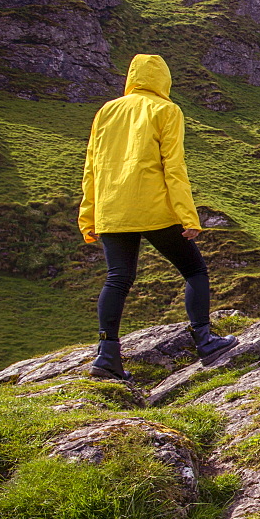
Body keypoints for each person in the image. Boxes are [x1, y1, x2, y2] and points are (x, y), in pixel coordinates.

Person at [78, 53, 236, 381]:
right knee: (194, 270)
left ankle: (106, 356)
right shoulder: (166, 110)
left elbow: (91, 168)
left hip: (112, 209)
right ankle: (205, 341)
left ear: (132, 77)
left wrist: (88, 216)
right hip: (153, 208)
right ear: (164, 80)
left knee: (117, 278)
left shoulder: (106, 111)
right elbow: (173, 167)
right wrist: (187, 217)